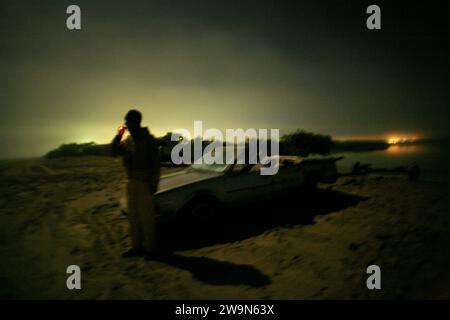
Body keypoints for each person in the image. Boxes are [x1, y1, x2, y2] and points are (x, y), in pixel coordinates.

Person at [111, 109, 161, 258]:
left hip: (144, 183)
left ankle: (151, 248)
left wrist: (153, 183)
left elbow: (156, 164)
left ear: (136, 122)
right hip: (130, 182)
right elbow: (113, 153)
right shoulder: (127, 141)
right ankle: (136, 247)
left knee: (147, 218)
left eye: (128, 121)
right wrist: (118, 136)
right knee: (133, 217)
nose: (125, 124)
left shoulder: (149, 139)